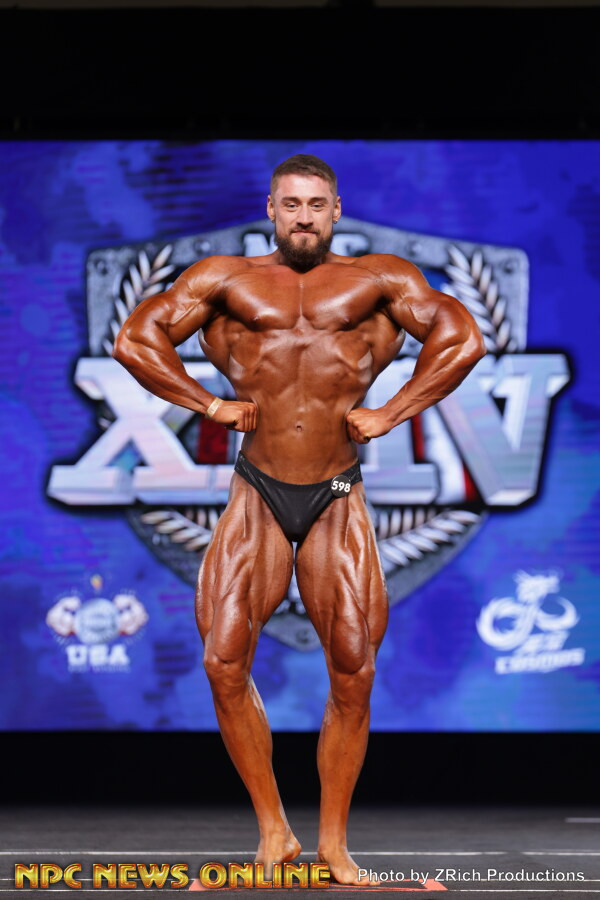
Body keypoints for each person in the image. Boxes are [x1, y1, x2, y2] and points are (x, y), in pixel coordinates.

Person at [113, 154, 486, 886]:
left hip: (336, 491)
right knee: (223, 661)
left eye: (317, 204)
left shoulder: (379, 281)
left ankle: (334, 847)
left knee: (353, 667)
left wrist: (393, 411)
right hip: (257, 487)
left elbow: (463, 337)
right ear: (272, 209)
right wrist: (207, 404)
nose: (305, 217)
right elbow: (135, 338)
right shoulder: (225, 280)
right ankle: (274, 832)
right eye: (292, 204)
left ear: (336, 210)